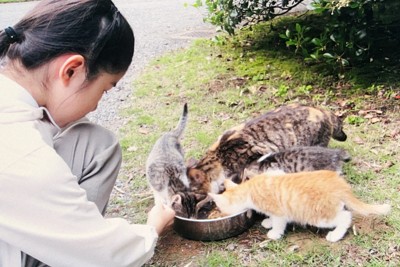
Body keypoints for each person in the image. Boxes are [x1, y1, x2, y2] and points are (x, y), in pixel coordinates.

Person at [0, 0, 175, 266]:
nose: (95, 105)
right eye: (105, 89)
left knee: (95, 142)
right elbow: (105, 257)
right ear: (71, 70)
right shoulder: (22, 153)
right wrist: (152, 227)